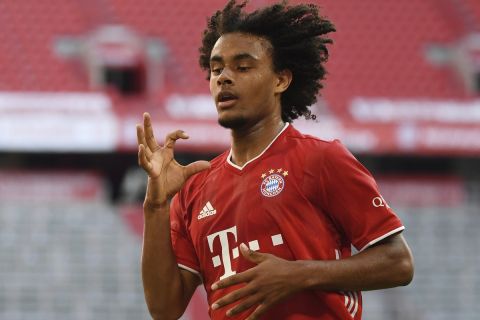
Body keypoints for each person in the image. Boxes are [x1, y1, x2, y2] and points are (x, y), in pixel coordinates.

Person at [136, 1, 414, 319]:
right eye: (216, 69)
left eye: (242, 67)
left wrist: (296, 275)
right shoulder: (195, 187)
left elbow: (399, 263)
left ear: (280, 80)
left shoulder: (322, 159)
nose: (224, 78)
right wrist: (156, 207)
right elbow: (164, 309)